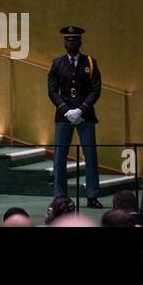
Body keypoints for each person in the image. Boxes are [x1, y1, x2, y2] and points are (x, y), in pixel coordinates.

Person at [47, 25, 103, 207]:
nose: (71, 43)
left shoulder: (90, 62)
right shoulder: (57, 63)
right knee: (59, 158)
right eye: (68, 40)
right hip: (64, 116)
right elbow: (52, 91)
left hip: (85, 115)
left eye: (75, 40)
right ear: (64, 42)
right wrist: (66, 110)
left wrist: (81, 110)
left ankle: (92, 195)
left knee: (90, 156)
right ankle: (60, 196)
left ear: (80, 42)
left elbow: (96, 89)